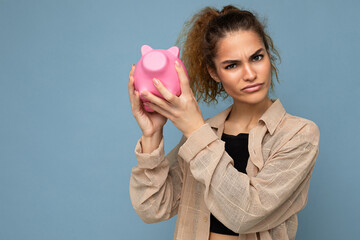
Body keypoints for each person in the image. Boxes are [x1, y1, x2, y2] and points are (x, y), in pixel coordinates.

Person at [128, 5, 320, 240]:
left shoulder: (299, 135)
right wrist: (152, 133)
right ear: (214, 72)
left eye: (257, 57)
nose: (250, 74)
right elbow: (153, 208)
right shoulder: (203, 132)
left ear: (269, 57)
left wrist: (196, 131)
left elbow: (245, 214)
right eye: (232, 65)